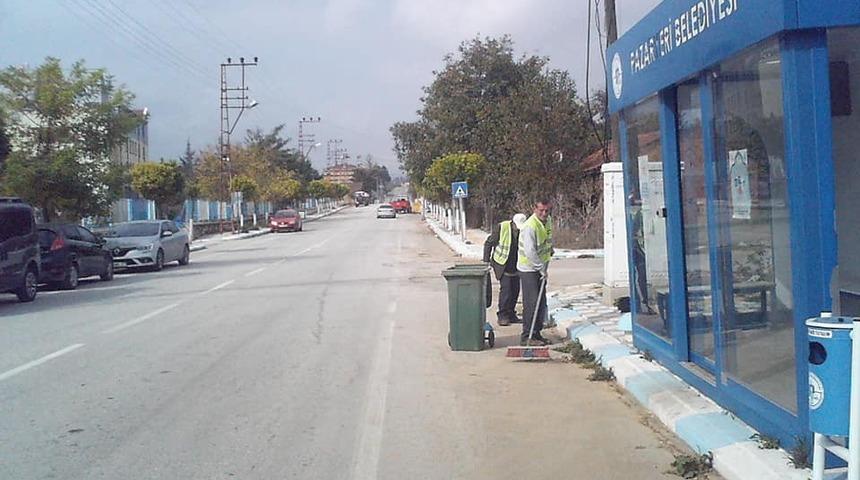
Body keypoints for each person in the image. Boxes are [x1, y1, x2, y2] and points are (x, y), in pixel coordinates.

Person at [517, 198, 554, 346]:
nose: (544, 213)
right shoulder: (530, 227)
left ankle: (537, 334)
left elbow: (547, 239)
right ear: (534, 209)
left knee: (540, 302)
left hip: (540, 268)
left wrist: (551, 249)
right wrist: (540, 269)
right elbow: (530, 252)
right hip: (529, 269)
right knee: (532, 303)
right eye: (541, 210)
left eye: (547, 210)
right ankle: (527, 336)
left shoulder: (548, 220)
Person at [483, 213, 527, 326]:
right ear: (513, 223)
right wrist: (486, 260)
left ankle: (511, 314)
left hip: (517, 264)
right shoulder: (502, 227)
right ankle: (502, 315)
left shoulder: (525, 229)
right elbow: (489, 243)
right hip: (502, 263)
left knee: (515, 290)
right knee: (506, 291)